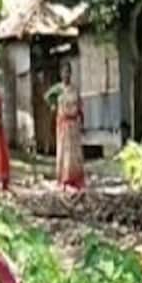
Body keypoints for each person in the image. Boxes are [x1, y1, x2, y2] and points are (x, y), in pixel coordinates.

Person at [53, 62, 86, 193]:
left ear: (71, 74)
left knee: (74, 153)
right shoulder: (57, 90)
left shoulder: (74, 89)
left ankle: (75, 179)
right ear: (61, 74)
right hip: (63, 124)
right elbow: (53, 105)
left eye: (68, 72)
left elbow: (80, 107)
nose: (66, 75)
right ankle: (64, 179)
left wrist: (81, 122)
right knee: (63, 152)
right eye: (64, 72)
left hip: (74, 125)